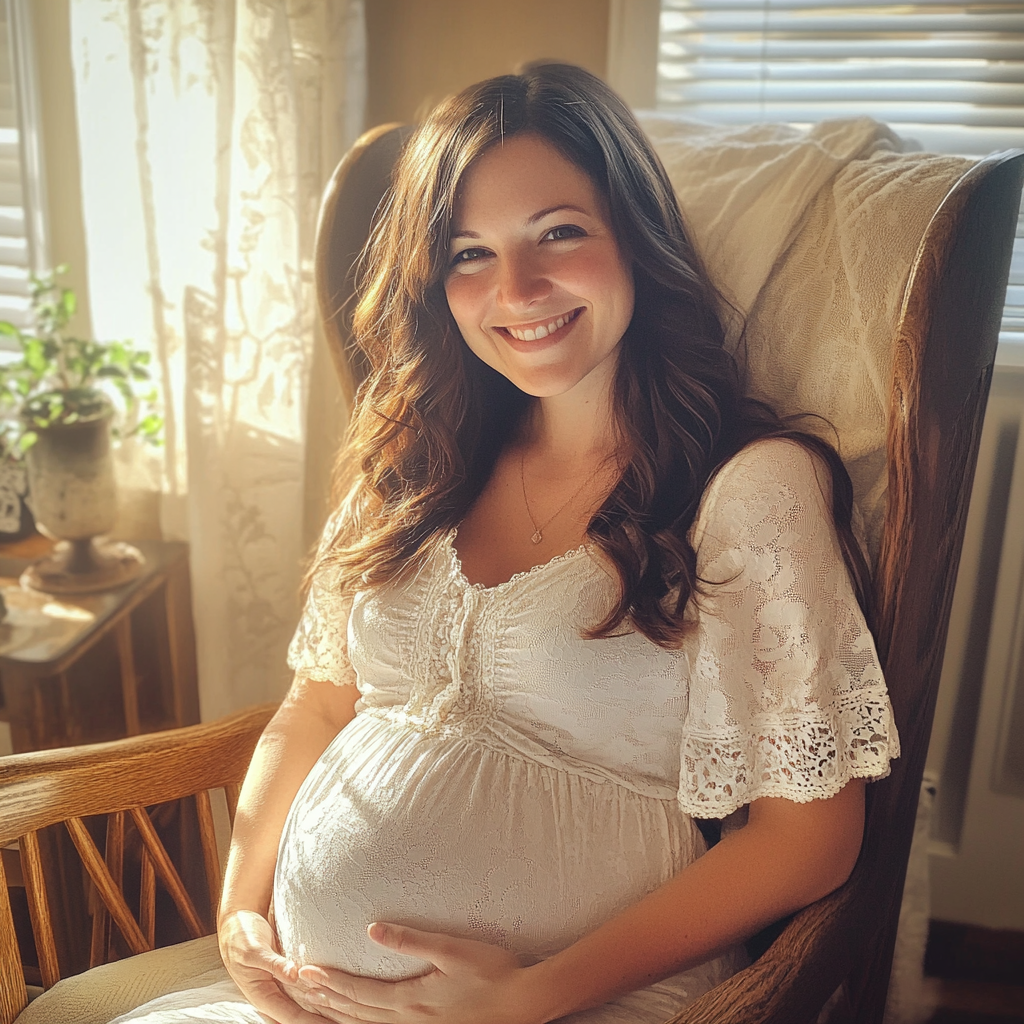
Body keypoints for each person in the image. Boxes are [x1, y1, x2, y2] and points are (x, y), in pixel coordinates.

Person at [110, 62, 897, 1024]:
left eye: (558, 233)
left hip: (595, 1002)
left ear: (637, 242)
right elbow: (314, 708)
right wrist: (239, 908)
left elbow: (809, 838)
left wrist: (532, 994)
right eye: (468, 253)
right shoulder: (408, 464)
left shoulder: (747, 489)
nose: (515, 288)